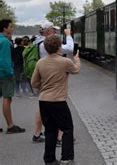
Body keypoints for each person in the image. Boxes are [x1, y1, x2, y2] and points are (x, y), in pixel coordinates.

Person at [31, 35, 81, 165]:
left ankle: (50, 160)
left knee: (50, 130)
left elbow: (34, 83)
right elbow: (76, 70)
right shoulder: (65, 62)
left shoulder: (40, 62)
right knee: (67, 129)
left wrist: (45, 87)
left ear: (46, 48)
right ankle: (66, 158)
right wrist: (77, 60)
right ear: (59, 46)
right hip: (58, 101)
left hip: (44, 101)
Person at [31, 21, 74, 144]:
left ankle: (37, 133)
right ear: (48, 31)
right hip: (52, 82)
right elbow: (69, 49)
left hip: (44, 79)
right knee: (58, 108)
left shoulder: (38, 42)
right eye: (53, 30)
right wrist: (68, 35)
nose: (55, 32)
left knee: (42, 106)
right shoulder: (46, 44)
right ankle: (59, 138)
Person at [0, 19, 25, 134]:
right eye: (10, 26)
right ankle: (10, 126)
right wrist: (10, 73)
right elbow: (5, 60)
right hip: (4, 74)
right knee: (7, 97)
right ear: (4, 28)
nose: (12, 28)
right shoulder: (5, 41)